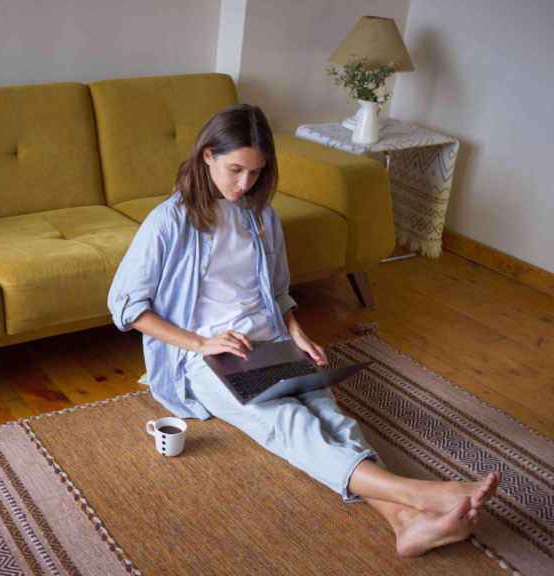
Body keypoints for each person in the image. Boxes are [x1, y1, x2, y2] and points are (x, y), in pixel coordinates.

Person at [107, 103, 501, 557]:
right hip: (206, 360)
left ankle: (406, 522)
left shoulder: (260, 216)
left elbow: (276, 293)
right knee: (290, 423)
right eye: (236, 170)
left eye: (256, 173)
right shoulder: (168, 222)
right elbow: (125, 306)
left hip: (272, 345)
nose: (245, 185)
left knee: (333, 417)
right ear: (206, 157)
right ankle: (422, 495)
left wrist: (297, 333)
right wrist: (201, 341)